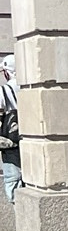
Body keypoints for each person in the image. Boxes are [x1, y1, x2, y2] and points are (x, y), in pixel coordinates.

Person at [0, 56, 21, 204]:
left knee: (13, 182)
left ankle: (22, 221)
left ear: (7, 72)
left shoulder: (4, 90)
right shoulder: (28, 86)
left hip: (11, 144)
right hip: (29, 140)